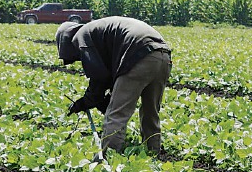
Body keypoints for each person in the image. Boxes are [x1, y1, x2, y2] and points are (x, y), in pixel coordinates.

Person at [55, 16, 172, 157]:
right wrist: (100, 98)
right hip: (162, 55)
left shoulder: (81, 36)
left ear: (66, 41)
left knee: (116, 115)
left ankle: (109, 158)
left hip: (138, 55)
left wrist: (88, 100)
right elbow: (109, 73)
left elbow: (99, 76)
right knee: (150, 111)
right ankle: (153, 152)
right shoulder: (97, 30)